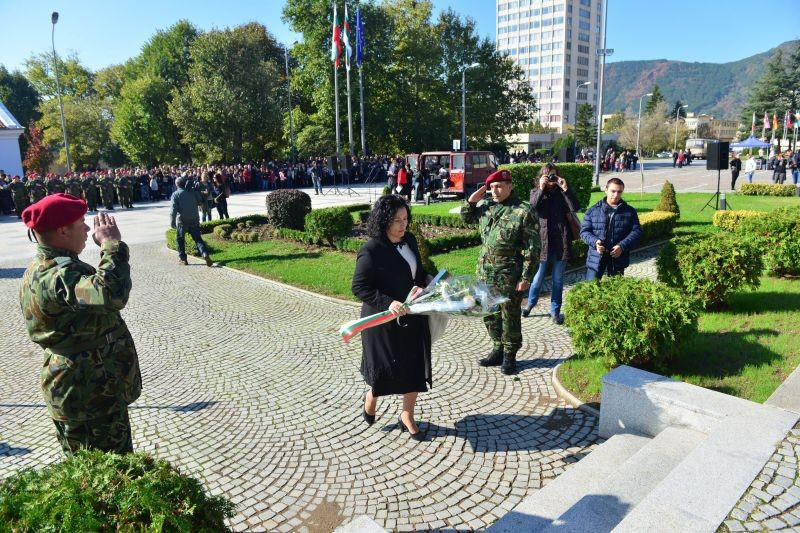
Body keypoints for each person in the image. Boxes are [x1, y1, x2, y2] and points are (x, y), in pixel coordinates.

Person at [19, 194, 142, 456]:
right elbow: (110, 293)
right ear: (62, 230)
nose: (88, 229)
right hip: (89, 395)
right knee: (111, 468)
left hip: (82, 389)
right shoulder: (60, 274)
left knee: (92, 466)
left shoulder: (41, 267)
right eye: (81, 223)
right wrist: (110, 245)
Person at [352, 195, 433, 441]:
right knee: (386, 370)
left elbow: (416, 272)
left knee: (413, 367)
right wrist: (388, 303)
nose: (403, 225)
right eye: (396, 220)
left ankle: (407, 415)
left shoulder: (410, 240)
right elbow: (359, 287)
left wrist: (428, 279)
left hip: (412, 315)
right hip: (383, 321)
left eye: (405, 219)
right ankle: (371, 397)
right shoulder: (371, 249)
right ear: (383, 220)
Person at [461, 169, 540, 375]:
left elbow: (533, 248)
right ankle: (497, 347)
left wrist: (526, 277)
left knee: (509, 315)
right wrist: (471, 201)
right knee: (489, 313)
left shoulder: (523, 211)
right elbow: (466, 218)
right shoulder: (485, 207)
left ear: (509, 187)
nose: (495, 191)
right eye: (492, 187)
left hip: (509, 274)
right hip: (485, 273)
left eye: (499, 187)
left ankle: (509, 355)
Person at [523, 163, 581, 324]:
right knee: (538, 278)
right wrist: (541, 189)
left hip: (562, 242)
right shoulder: (535, 192)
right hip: (544, 243)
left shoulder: (562, 193)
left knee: (558, 280)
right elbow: (530, 210)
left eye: (553, 175)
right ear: (541, 177)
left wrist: (566, 189)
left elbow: (576, 207)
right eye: (548, 175)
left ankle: (555, 312)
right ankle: (530, 304)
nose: (551, 178)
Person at [580, 177, 642, 280]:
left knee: (616, 288)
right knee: (590, 287)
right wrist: (595, 242)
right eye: (613, 191)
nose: (616, 195)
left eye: (619, 192)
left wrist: (622, 246)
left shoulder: (629, 211)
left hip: (617, 257)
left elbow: (637, 231)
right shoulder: (592, 210)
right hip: (596, 256)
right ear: (606, 190)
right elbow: (584, 232)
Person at [170, 175, 214, 267]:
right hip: (194, 219)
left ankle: (183, 259)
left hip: (182, 221)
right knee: (198, 239)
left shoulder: (175, 194)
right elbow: (200, 202)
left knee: (180, 240)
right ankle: (205, 253)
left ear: (176, 185)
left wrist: (172, 222)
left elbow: (173, 210)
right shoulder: (192, 192)